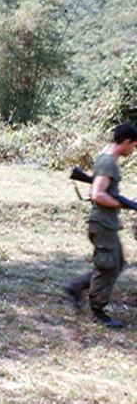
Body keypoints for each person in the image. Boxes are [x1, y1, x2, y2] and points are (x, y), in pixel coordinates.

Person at [62, 123, 137, 328]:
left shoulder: (108, 158)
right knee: (107, 265)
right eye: (133, 146)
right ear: (127, 142)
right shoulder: (108, 162)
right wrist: (123, 204)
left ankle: (76, 286)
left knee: (116, 262)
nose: (133, 151)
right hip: (102, 222)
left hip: (106, 221)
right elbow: (97, 194)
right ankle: (97, 312)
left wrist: (118, 210)